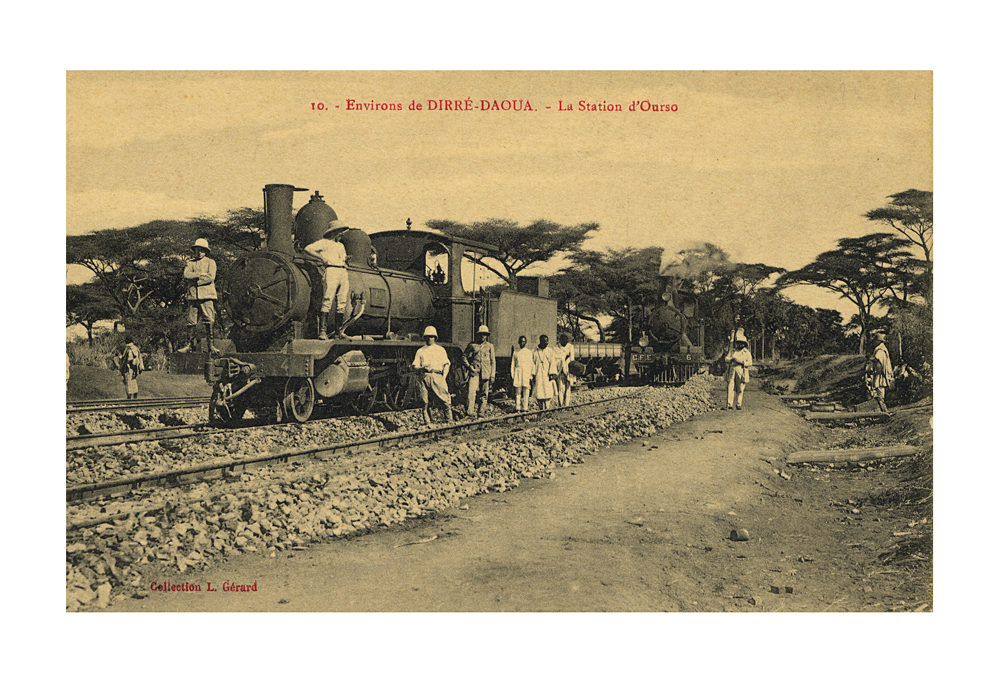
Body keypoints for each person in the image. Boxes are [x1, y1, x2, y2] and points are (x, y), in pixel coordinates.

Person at [305, 221, 351, 339]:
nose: (341, 235)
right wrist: (322, 258)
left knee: (342, 302)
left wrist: (346, 260)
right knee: (327, 299)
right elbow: (308, 248)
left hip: (343, 271)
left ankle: (338, 332)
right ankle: (323, 332)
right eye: (340, 232)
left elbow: (343, 258)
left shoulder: (341, 246)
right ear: (334, 232)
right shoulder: (324, 243)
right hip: (332, 271)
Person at [412, 326, 454, 426]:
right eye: (428, 336)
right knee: (424, 401)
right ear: (424, 337)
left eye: (432, 336)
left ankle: (449, 420)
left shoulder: (440, 349)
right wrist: (421, 369)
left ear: (435, 337)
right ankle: (428, 422)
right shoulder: (420, 351)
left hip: (437, 375)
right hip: (424, 376)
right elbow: (415, 366)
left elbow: (446, 364)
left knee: (445, 399)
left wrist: (443, 377)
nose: (430, 338)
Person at [181, 238, 217, 353]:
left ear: (206, 251)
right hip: (193, 296)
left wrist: (196, 279)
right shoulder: (190, 263)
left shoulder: (211, 262)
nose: (199, 252)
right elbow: (186, 275)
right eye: (197, 250)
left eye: (202, 250)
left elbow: (211, 277)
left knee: (209, 320)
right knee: (191, 322)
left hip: (207, 296)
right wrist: (200, 274)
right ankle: (189, 345)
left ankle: (211, 346)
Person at [464, 325, 496, 418]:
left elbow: (493, 361)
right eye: (481, 334)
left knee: (484, 393)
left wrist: (492, 375)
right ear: (478, 335)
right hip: (474, 372)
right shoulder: (472, 345)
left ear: (487, 336)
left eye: (484, 334)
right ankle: (469, 411)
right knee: (471, 391)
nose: (483, 336)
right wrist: (469, 367)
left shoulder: (490, 346)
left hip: (486, 372)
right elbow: (464, 357)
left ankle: (481, 411)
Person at [724, 328, 753, 410]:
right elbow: (726, 358)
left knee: (740, 388)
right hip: (732, 369)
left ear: (744, 344)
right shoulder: (733, 351)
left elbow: (750, 363)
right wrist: (731, 359)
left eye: (741, 343)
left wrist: (741, 362)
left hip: (741, 370)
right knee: (731, 386)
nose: (740, 344)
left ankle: (738, 403)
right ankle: (729, 404)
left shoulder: (746, 353)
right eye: (738, 343)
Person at [869, 331, 894, 412]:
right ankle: (881, 411)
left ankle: (883, 411)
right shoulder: (880, 350)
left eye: (875, 341)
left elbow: (879, 364)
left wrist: (875, 373)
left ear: (879, 341)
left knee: (879, 394)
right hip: (879, 374)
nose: (874, 342)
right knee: (879, 394)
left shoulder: (880, 351)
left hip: (880, 375)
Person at [533, 334, 558, 410]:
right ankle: (540, 408)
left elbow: (553, 362)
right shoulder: (535, 351)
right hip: (538, 375)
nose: (547, 343)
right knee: (539, 392)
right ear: (540, 341)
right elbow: (532, 363)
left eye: (547, 341)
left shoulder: (550, 351)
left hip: (547, 375)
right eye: (545, 341)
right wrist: (533, 374)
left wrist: (552, 374)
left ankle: (547, 408)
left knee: (547, 392)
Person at [511, 335, 534, 412]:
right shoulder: (516, 352)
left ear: (526, 342)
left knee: (526, 391)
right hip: (518, 373)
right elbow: (513, 364)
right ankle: (517, 407)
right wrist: (513, 374)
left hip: (526, 373)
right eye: (521, 341)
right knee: (518, 391)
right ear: (518, 342)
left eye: (523, 341)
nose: (522, 343)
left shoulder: (529, 352)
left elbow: (531, 364)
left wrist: (531, 375)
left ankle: (525, 407)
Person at [119, 335, 144, 400]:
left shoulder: (128, 348)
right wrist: (140, 367)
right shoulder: (135, 348)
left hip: (129, 368)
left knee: (128, 382)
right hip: (135, 368)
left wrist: (122, 361)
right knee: (134, 382)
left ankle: (129, 398)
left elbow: (129, 358)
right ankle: (135, 398)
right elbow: (139, 358)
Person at [555, 333, 576, 407]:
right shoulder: (556, 348)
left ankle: (567, 405)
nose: (565, 342)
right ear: (560, 340)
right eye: (563, 340)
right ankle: (560, 405)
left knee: (568, 388)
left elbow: (572, 359)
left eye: (566, 340)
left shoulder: (570, 347)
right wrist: (564, 358)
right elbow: (556, 360)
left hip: (569, 371)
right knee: (561, 389)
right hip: (560, 371)